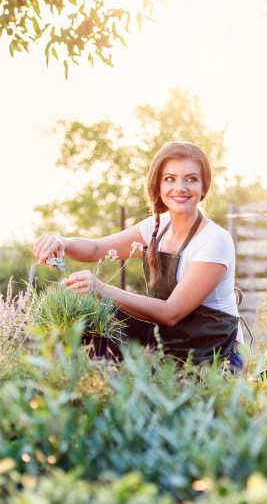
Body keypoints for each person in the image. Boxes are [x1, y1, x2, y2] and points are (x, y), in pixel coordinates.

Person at [33, 141, 243, 372]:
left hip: (215, 356)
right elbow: (95, 249)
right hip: (171, 343)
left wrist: (101, 288)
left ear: (204, 188)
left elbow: (171, 313)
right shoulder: (157, 227)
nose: (180, 187)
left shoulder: (214, 240)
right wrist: (62, 242)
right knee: (88, 325)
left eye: (191, 179)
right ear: (158, 185)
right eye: (170, 179)